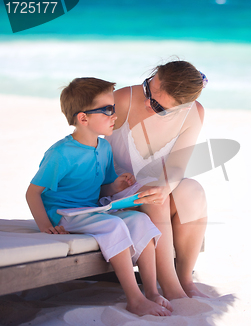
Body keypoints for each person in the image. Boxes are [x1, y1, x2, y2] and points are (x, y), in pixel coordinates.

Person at [25, 77, 173, 317]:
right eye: (107, 110)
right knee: (113, 225)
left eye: (113, 108)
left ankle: (152, 292)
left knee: (141, 221)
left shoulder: (104, 148)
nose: (114, 115)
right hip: (64, 215)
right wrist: (46, 226)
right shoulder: (60, 153)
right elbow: (33, 192)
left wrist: (115, 186)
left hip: (91, 210)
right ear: (83, 118)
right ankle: (134, 298)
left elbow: (101, 188)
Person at [105, 60, 208, 299]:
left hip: (153, 198)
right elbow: (87, 148)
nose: (146, 103)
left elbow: (176, 167)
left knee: (192, 191)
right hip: (114, 194)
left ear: (183, 108)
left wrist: (165, 188)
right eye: (147, 88)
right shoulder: (122, 100)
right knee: (154, 194)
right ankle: (170, 287)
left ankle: (185, 280)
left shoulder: (194, 113)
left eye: (159, 107)